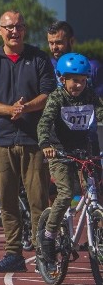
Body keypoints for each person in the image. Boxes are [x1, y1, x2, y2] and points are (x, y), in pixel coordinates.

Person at [0, 10, 55, 273]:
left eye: (19, 26)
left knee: (38, 199)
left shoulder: (39, 58)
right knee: (7, 200)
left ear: (25, 29)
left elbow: (48, 94)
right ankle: (13, 254)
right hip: (1, 140)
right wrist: (9, 110)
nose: (14, 31)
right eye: (8, 27)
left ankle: (44, 251)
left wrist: (26, 108)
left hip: (33, 139)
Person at [36, 53, 103, 270]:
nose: (78, 85)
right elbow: (44, 123)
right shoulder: (57, 98)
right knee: (65, 194)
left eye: (83, 80)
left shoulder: (90, 96)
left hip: (84, 151)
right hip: (59, 152)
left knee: (93, 190)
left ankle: (94, 227)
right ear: (62, 79)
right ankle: (48, 236)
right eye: (74, 80)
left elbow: (101, 115)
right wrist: (46, 144)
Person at [47, 21, 101, 95]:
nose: (54, 47)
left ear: (71, 41)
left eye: (59, 42)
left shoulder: (93, 67)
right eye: (51, 43)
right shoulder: (45, 67)